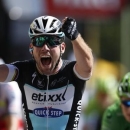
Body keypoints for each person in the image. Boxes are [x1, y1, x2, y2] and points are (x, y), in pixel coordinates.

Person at [0, 15, 93, 130]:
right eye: (39, 41)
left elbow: (88, 68)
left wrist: (75, 37)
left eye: (52, 41)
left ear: (62, 47)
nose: (45, 47)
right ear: (31, 48)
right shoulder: (24, 70)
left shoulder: (72, 72)